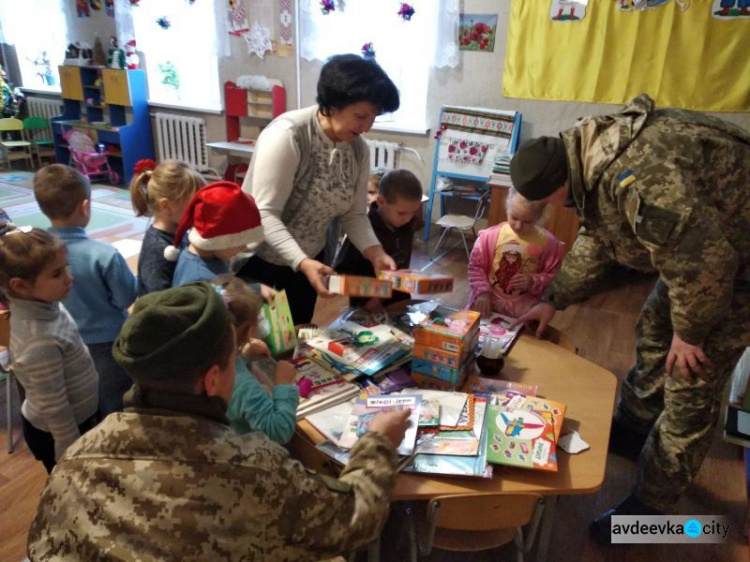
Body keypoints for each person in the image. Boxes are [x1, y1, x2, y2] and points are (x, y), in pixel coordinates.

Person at [508, 94, 750, 544]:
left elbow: (704, 262)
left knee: (690, 381)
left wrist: (692, 333)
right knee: (656, 327)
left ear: (558, 187)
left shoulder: (639, 180)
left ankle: (650, 517)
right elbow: (600, 237)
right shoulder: (587, 152)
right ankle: (636, 426)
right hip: (711, 253)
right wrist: (554, 298)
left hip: (733, 266)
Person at [27, 281, 411, 561]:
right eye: (233, 358)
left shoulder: (77, 457)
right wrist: (378, 442)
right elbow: (354, 520)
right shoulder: (255, 468)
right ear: (212, 379)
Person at [237, 54, 401, 324]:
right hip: (261, 264)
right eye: (360, 116)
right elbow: (264, 214)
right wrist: (301, 262)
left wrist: (375, 252)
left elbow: (355, 214)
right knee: (265, 345)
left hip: (312, 263)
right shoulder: (289, 136)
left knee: (296, 337)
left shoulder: (358, 149)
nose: (367, 127)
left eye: (373, 118)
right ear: (332, 104)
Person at [33, 164, 137, 416]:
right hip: (109, 344)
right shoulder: (105, 255)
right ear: (85, 208)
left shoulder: (36, 256)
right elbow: (126, 298)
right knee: (114, 407)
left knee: (81, 402)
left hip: (62, 341)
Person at [0, 224, 98, 473]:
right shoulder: (38, 344)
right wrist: (70, 453)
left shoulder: (47, 305)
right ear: (20, 286)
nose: (69, 277)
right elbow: (55, 409)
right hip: (61, 434)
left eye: (66, 267)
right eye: (56, 274)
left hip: (80, 417)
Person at [213, 275, 300, 443]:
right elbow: (278, 431)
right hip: (249, 450)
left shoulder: (207, 354)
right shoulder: (243, 386)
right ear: (248, 332)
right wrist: (283, 385)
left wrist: (244, 356)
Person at [467, 187, 565, 319]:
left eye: (527, 221)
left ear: (539, 217)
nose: (518, 226)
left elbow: (553, 276)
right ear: (507, 209)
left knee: (523, 338)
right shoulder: (489, 237)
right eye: (514, 217)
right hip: (488, 301)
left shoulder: (549, 244)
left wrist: (533, 281)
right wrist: (482, 292)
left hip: (525, 307)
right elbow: (475, 267)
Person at [333, 168, 423, 310]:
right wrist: (370, 297)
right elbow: (341, 272)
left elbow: (401, 264)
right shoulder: (362, 231)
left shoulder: (406, 225)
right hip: (367, 305)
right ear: (381, 201)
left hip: (399, 301)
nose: (408, 218)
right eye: (401, 213)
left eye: (413, 212)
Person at [169, 181, 271, 302]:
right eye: (238, 242)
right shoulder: (198, 281)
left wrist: (256, 289)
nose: (243, 248)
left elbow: (226, 288)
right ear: (217, 240)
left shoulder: (214, 257)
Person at [130, 158, 206, 296]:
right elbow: (160, 301)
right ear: (166, 206)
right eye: (194, 205)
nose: (200, 210)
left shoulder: (181, 232)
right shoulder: (156, 248)